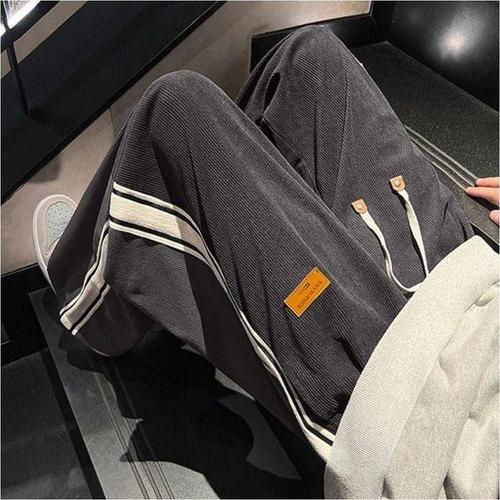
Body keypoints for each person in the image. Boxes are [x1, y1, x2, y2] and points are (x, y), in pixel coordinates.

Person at [34, 26, 498, 498]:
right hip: (474, 292)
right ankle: (188, 254)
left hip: (415, 400)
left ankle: (93, 306)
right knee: (311, 60)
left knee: (175, 110)